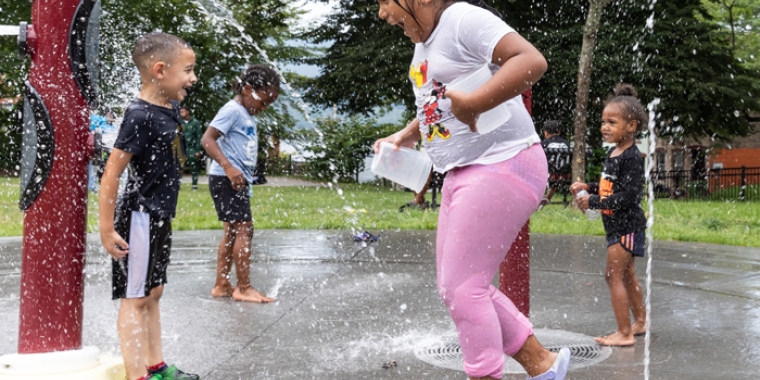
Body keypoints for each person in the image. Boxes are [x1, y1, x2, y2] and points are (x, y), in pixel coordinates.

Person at [374, 1, 571, 379]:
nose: (382, 13)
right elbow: (437, 103)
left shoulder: (462, 19)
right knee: (455, 288)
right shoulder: (425, 42)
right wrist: (405, 135)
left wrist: (477, 104)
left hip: (503, 162)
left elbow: (532, 60)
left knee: (465, 289)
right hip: (464, 171)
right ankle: (544, 366)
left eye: (384, 1)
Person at [98, 32, 199, 380]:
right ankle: (137, 375)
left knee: (154, 291)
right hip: (139, 217)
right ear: (159, 70)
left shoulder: (167, 108)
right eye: (187, 70)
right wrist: (107, 228)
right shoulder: (139, 115)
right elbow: (111, 174)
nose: (193, 78)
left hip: (158, 215)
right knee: (135, 297)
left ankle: (156, 366)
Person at [571, 83, 648, 347]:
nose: (605, 127)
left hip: (626, 227)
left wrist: (593, 201)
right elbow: (611, 186)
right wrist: (589, 187)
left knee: (612, 275)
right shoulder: (613, 152)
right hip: (618, 226)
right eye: (603, 121)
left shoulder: (632, 157)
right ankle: (639, 321)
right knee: (627, 275)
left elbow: (629, 197)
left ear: (631, 126)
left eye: (612, 122)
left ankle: (624, 333)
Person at [201, 64, 279, 303]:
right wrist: (228, 166)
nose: (263, 108)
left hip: (232, 179)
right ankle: (243, 287)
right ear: (247, 89)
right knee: (245, 229)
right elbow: (208, 139)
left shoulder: (243, 112)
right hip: (227, 178)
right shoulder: (232, 110)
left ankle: (222, 284)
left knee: (233, 231)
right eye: (263, 101)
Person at [538, 120, 571, 208]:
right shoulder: (566, 144)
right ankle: (547, 197)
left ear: (546, 133)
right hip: (563, 176)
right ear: (559, 131)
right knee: (556, 173)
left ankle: (539, 199)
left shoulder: (543, 144)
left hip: (547, 176)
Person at [88, 108, 117, 193]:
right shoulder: (100, 122)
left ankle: (103, 186)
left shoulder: (113, 127)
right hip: (99, 149)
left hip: (109, 150)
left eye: (111, 115)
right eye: (108, 115)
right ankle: (92, 186)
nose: (110, 117)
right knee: (93, 167)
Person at [180, 106, 204, 190]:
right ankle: (177, 184)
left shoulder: (195, 123)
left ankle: (194, 185)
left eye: (183, 111)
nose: (181, 113)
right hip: (182, 146)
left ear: (188, 112)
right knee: (179, 165)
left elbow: (199, 137)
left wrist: (198, 150)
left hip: (192, 147)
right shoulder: (180, 122)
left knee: (193, 165)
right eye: (180, 112)